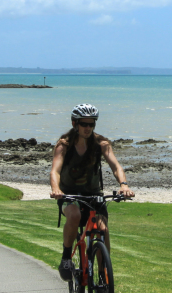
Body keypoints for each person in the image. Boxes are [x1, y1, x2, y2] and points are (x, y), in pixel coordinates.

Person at [49, 103, 133, 281]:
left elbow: (116, 166)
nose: (87, 128)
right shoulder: (64, 145)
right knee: (74, 215)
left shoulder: (101, 144)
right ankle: (66, 258)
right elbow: (55, 171)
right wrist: (56, 189)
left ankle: (104, 275)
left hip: (94, 195)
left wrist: (124, 185)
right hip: (69, 194)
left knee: (103, 230)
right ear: (74, 124)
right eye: (83, 124)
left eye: (91, 124)